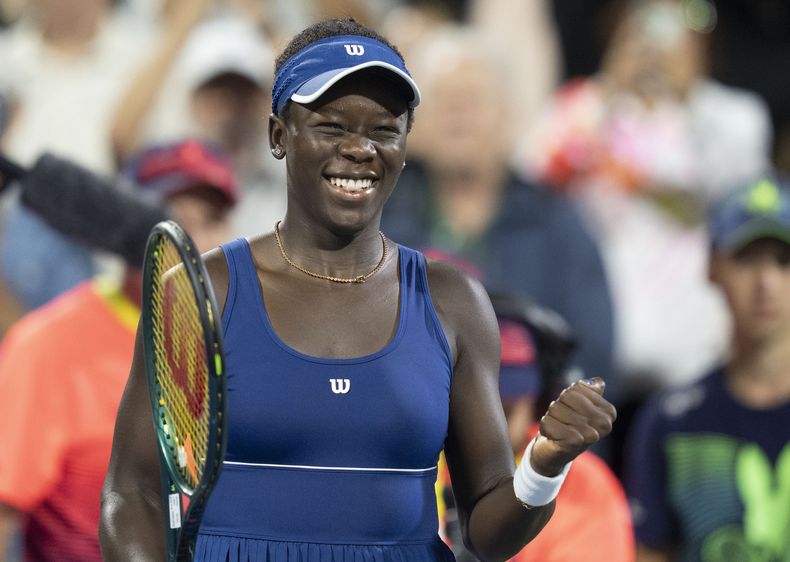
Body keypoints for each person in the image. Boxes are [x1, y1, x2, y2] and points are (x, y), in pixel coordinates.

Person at [99, 18, 617, 562]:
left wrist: (546, 462)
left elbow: (486, 532)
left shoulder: (454, 301)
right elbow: (132, 492)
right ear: (280, 135)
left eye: (384, 130)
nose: (360, 149)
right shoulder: (204, 290)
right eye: (331, 126)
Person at [0, 139, 237, 561]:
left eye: (213, 218)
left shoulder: (249, 339)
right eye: (177, 216)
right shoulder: (45, 347)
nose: (195, 237)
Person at [381, 27, 615, 394]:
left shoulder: (557, 223)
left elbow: (594, 356)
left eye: (473, 99)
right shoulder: (378, 217)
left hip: (529, 431)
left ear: (508, 117)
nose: (458, 113)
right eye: (444, 99)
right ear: (414, 123)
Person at [624, 177, 790, 561]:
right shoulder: (672, 421)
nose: (767, 283)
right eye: (748, 259)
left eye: (784, 261)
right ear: (712, 267)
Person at [438, 292, 635, 561]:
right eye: (467, 406)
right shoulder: (398, 461)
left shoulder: (585, 484)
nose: (481, 424)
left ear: (540, 402)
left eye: (504, 411)